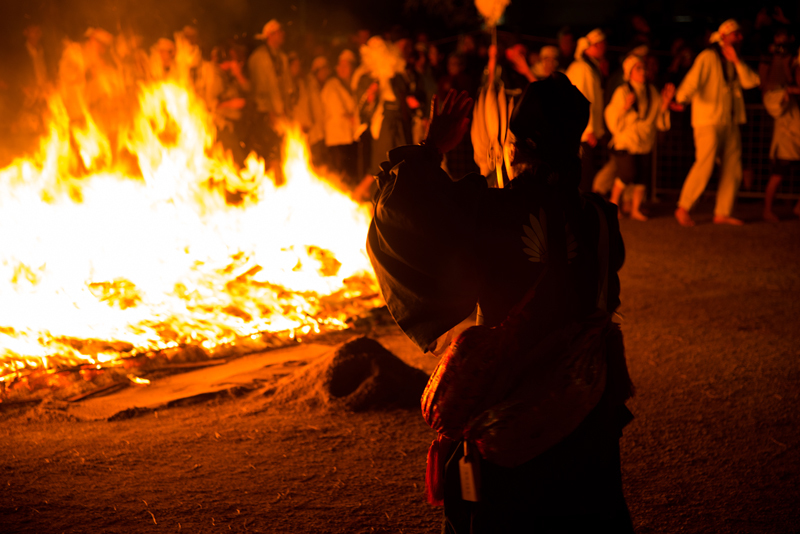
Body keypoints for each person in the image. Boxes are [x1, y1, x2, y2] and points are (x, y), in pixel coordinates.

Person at [367, 77, 634, 533]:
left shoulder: (492, 212)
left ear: (520, 147)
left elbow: (405, 212)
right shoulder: (599, 218)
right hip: (585, 415)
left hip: (511, 420)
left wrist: (434, 144)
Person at [673, 19, 761, 226]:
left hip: (730, 120)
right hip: (707, 120)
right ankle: (683, 207)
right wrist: (680, 99)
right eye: (736, 34)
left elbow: (751, 82)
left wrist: (737, 61)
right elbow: (693, 79)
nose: (740, 38)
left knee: (733, 167)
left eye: (740, 34)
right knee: (705, 163)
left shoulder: (732, 59)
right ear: (723, 36)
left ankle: (722, 212)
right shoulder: (708, 56)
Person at [605, 55, 674, 220]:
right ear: (629, 73)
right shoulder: (622, 91)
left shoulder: (652, 91)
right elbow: (611, 116)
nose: (643, 72)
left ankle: (636, 209)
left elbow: (658, 119)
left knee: (643, 177)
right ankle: (613, 203)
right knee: (628, 174)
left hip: (645, 140)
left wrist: (665, 104)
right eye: (638, 68)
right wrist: (624, 108)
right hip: (626, 140)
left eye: (644, 68)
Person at [246, 20, 292, 170]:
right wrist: (270, 112)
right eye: (279, 32)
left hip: (281, 114)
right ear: (270, 35)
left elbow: (286, 88)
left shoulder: (282, 58)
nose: (283, 35)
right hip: (264, 114)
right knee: (267, 152)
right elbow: (260, 89)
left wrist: (285, 111)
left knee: (281, 152)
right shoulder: (259, 58)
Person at [567, 28, 608, 192]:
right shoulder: (582, 68)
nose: (603, 47)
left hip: (583, 130)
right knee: (583, 171)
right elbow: (583, 97)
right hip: (581, 131)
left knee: (585, 170)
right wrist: (589, 128)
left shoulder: (589, 67)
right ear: (592, 46)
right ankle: (579, 208)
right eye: (600, 44)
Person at [762, 48, 800, 221]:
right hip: (786, 143)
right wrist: (787, 90)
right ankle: (767, 210)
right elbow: (773, 105)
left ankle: (799, 207)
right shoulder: (783, 91)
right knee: (777, 176)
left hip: (796, 141)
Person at [321, 49, 360, 185]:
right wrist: (353, 116)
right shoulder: (332, 85)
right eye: (340, 66)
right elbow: (339, 110)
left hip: (349, 137)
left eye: (346, 66)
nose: (343, 69)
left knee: (349, 173)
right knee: (339, 174)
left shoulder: (354, 86)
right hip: (337, 138)